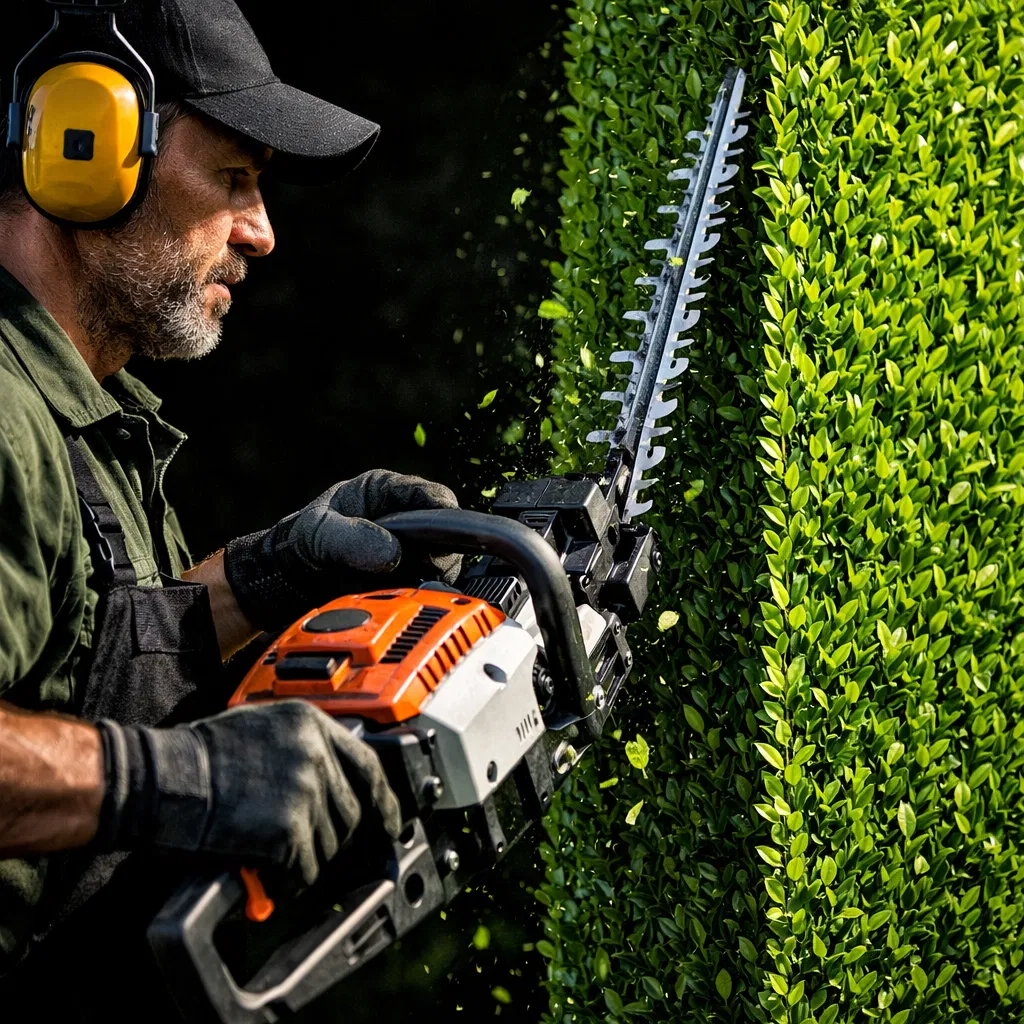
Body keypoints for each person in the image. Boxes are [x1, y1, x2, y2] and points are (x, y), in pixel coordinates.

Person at [0, 0, 462, 1017]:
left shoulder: (84, 410)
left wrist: (267, 572)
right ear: (89, 145)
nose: (261, 231)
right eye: (235, 179)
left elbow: (78, 658)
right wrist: (175, 777)